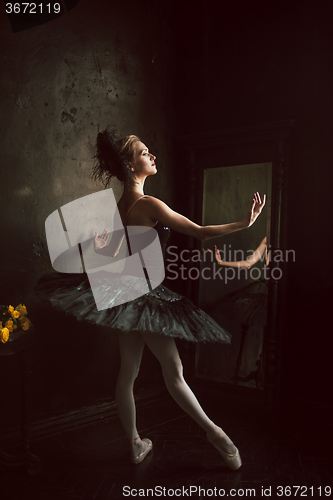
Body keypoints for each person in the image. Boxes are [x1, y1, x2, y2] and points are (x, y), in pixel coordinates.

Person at [36, 128, 266, 470]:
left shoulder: (117, 208)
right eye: (145, 153)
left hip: (122, 294)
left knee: (128, 372)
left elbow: (112, 256)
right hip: (142, 295)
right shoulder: (149, 204)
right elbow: (199, 232)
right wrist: (244, 223)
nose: (153, 156)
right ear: (130, 166)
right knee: (174, 371)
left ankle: (134, 444)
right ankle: (215, 433)